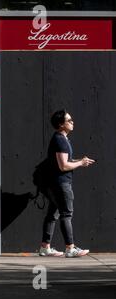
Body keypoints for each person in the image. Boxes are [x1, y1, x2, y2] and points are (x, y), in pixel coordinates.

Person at [39, 110, 95, 258]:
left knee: (53, 214)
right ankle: (70, 248)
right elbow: (63, 166)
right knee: (66, 214)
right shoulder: (60, 140)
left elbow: (62, 162)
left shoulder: (61, 139)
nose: (72, 122)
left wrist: (79, 161)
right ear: (61, 124)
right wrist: (80, 163)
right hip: (61, 183)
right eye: (69, 120)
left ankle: (45, 247)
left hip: (55, 183)